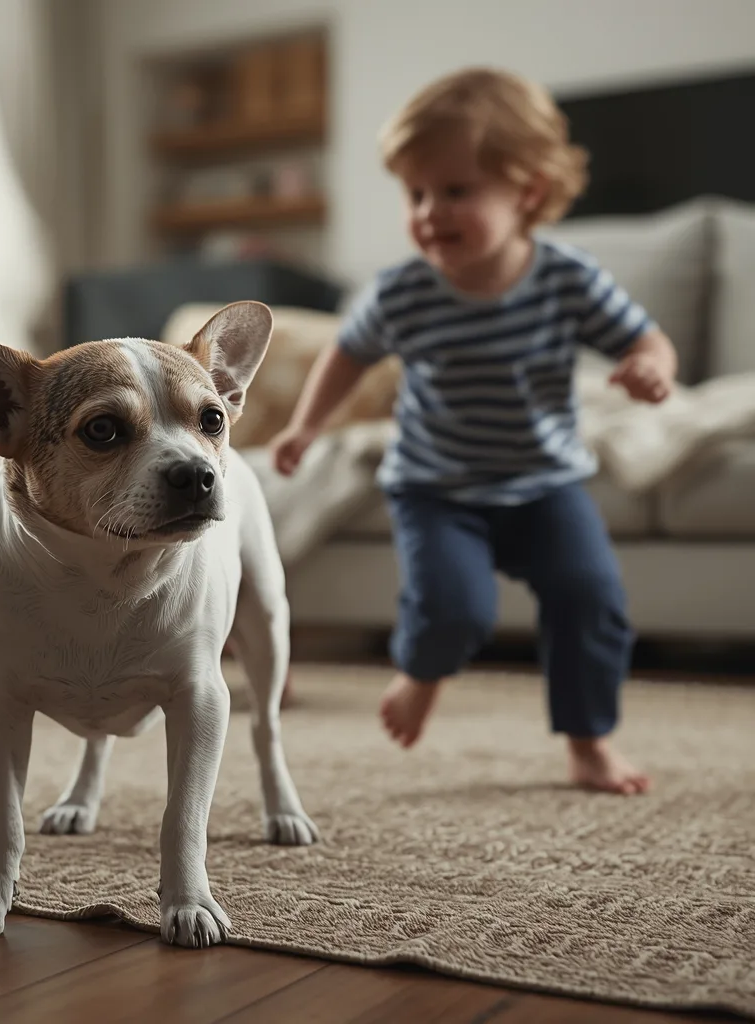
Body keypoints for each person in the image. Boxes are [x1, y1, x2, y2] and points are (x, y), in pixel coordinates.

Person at [269, 68, 678, 795]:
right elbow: (347, 353)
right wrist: (306, 427)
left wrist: (650, 367)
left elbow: (647, 340)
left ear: (527, 191)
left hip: (545, 484)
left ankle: (589, 743)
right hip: (436, 487)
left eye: (455, 191)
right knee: (454, 610)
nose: (430, 213)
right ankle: (423, 671)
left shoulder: (568, 279)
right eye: (416, 194)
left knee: (591, 599)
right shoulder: (405, 290)